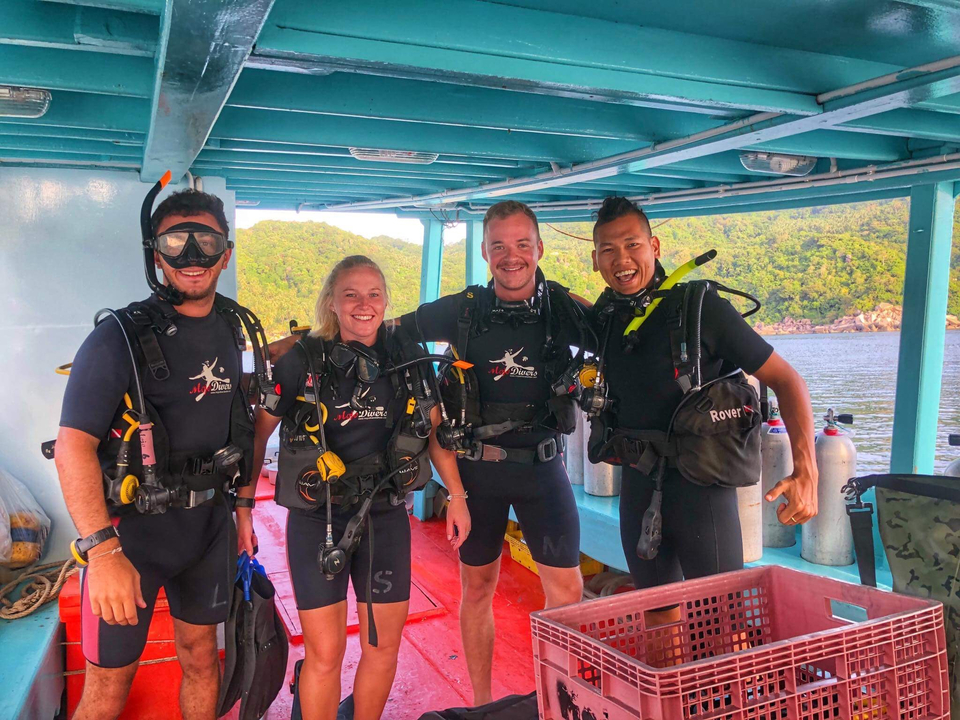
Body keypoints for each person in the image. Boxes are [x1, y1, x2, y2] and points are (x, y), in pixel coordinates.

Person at [55, 187, 263, 720]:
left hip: (209, 528)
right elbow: (72, 446)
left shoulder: (233, 328)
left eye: (206, 241)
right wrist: (101, 553)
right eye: (175, 242)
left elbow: (242, 425)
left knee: (203, 659)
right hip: (132, 538)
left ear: (226, 253)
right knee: (108, 684)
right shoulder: (117, 337)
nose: (192, 255)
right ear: (156, 255)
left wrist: (242, 510)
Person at [239, 255, 471, 720]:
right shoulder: (302, 360)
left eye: (373, 295)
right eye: (351, 295)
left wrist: (458, 497)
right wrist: (244, 509)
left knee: (382, 647)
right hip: (317, 518)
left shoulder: (407, 359)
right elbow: (258, 435)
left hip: (385, 515)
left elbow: (434, 431)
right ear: (331, 302)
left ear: (385, 301)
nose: (364, 305)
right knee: (325, 654)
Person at [398, 201, 589, 706]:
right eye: (499, 246)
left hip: (543, 469)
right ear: (484, 251)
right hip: (475, 475)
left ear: (539, 248)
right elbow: (388, 330)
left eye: (522, 244)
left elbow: (627, 338)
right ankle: (483, 706)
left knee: (567, 593)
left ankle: (557, 704)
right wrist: (304, 350)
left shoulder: (563, 310)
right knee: (477, 588)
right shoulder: (463, 310)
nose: (511, 256)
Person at [586, 196, 818, 589]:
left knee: (722, 616)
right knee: (656, 609)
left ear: (654, 246)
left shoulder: (700, 309)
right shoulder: (606, 319)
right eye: (608, 249)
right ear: (595, 260)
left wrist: (807, 473)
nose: (621, 259)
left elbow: (787, 380)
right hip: (638, 488)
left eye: (632, 244)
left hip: (703, 494)